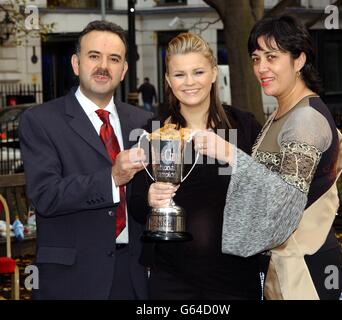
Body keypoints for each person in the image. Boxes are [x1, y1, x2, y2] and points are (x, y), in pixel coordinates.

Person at [193, 15, 342, 300]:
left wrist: (231, 155)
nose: (261, 68)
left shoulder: (305, 119)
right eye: (255, 58)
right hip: (282, 264)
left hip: (305, 269)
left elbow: (287, 201)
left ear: (298, 60)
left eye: (272, 57)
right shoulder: (283, 112)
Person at [19, 20, 151, 299]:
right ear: (76, 64)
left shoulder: (143, 122)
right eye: (94, 56)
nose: (104, 66)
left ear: (123, 70)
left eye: (114, 59)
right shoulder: (40, 121)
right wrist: (111, 179)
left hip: (133, 276)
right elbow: (46, 196)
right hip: (71, 279)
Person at [131, 32, 265, 300]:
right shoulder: (155, 132)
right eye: (179, 75)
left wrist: (231, 154)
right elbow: (135, 205)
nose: (189, 82)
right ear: (168, 80)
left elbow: (268, 191)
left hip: (236, 277)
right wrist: (149, 197)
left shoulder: (242, 125)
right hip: (171, 279)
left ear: (214, 73)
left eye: (198, 72)